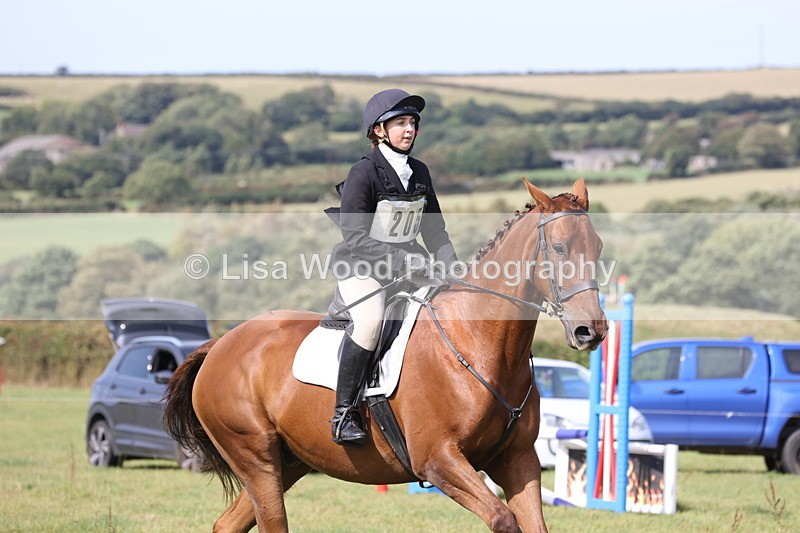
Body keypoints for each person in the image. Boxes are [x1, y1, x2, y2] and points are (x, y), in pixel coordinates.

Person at [326, 88, 459, 446]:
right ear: (379, 131)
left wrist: (453, 269)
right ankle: (343, 414)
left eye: (413, 122)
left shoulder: (419, 172)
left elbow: (435, 231)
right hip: (361, 267)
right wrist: (407, 261)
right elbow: (355, 236)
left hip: (409, 269)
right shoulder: (363, 173)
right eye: (400, 122)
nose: (409, 129)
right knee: (370, 322)